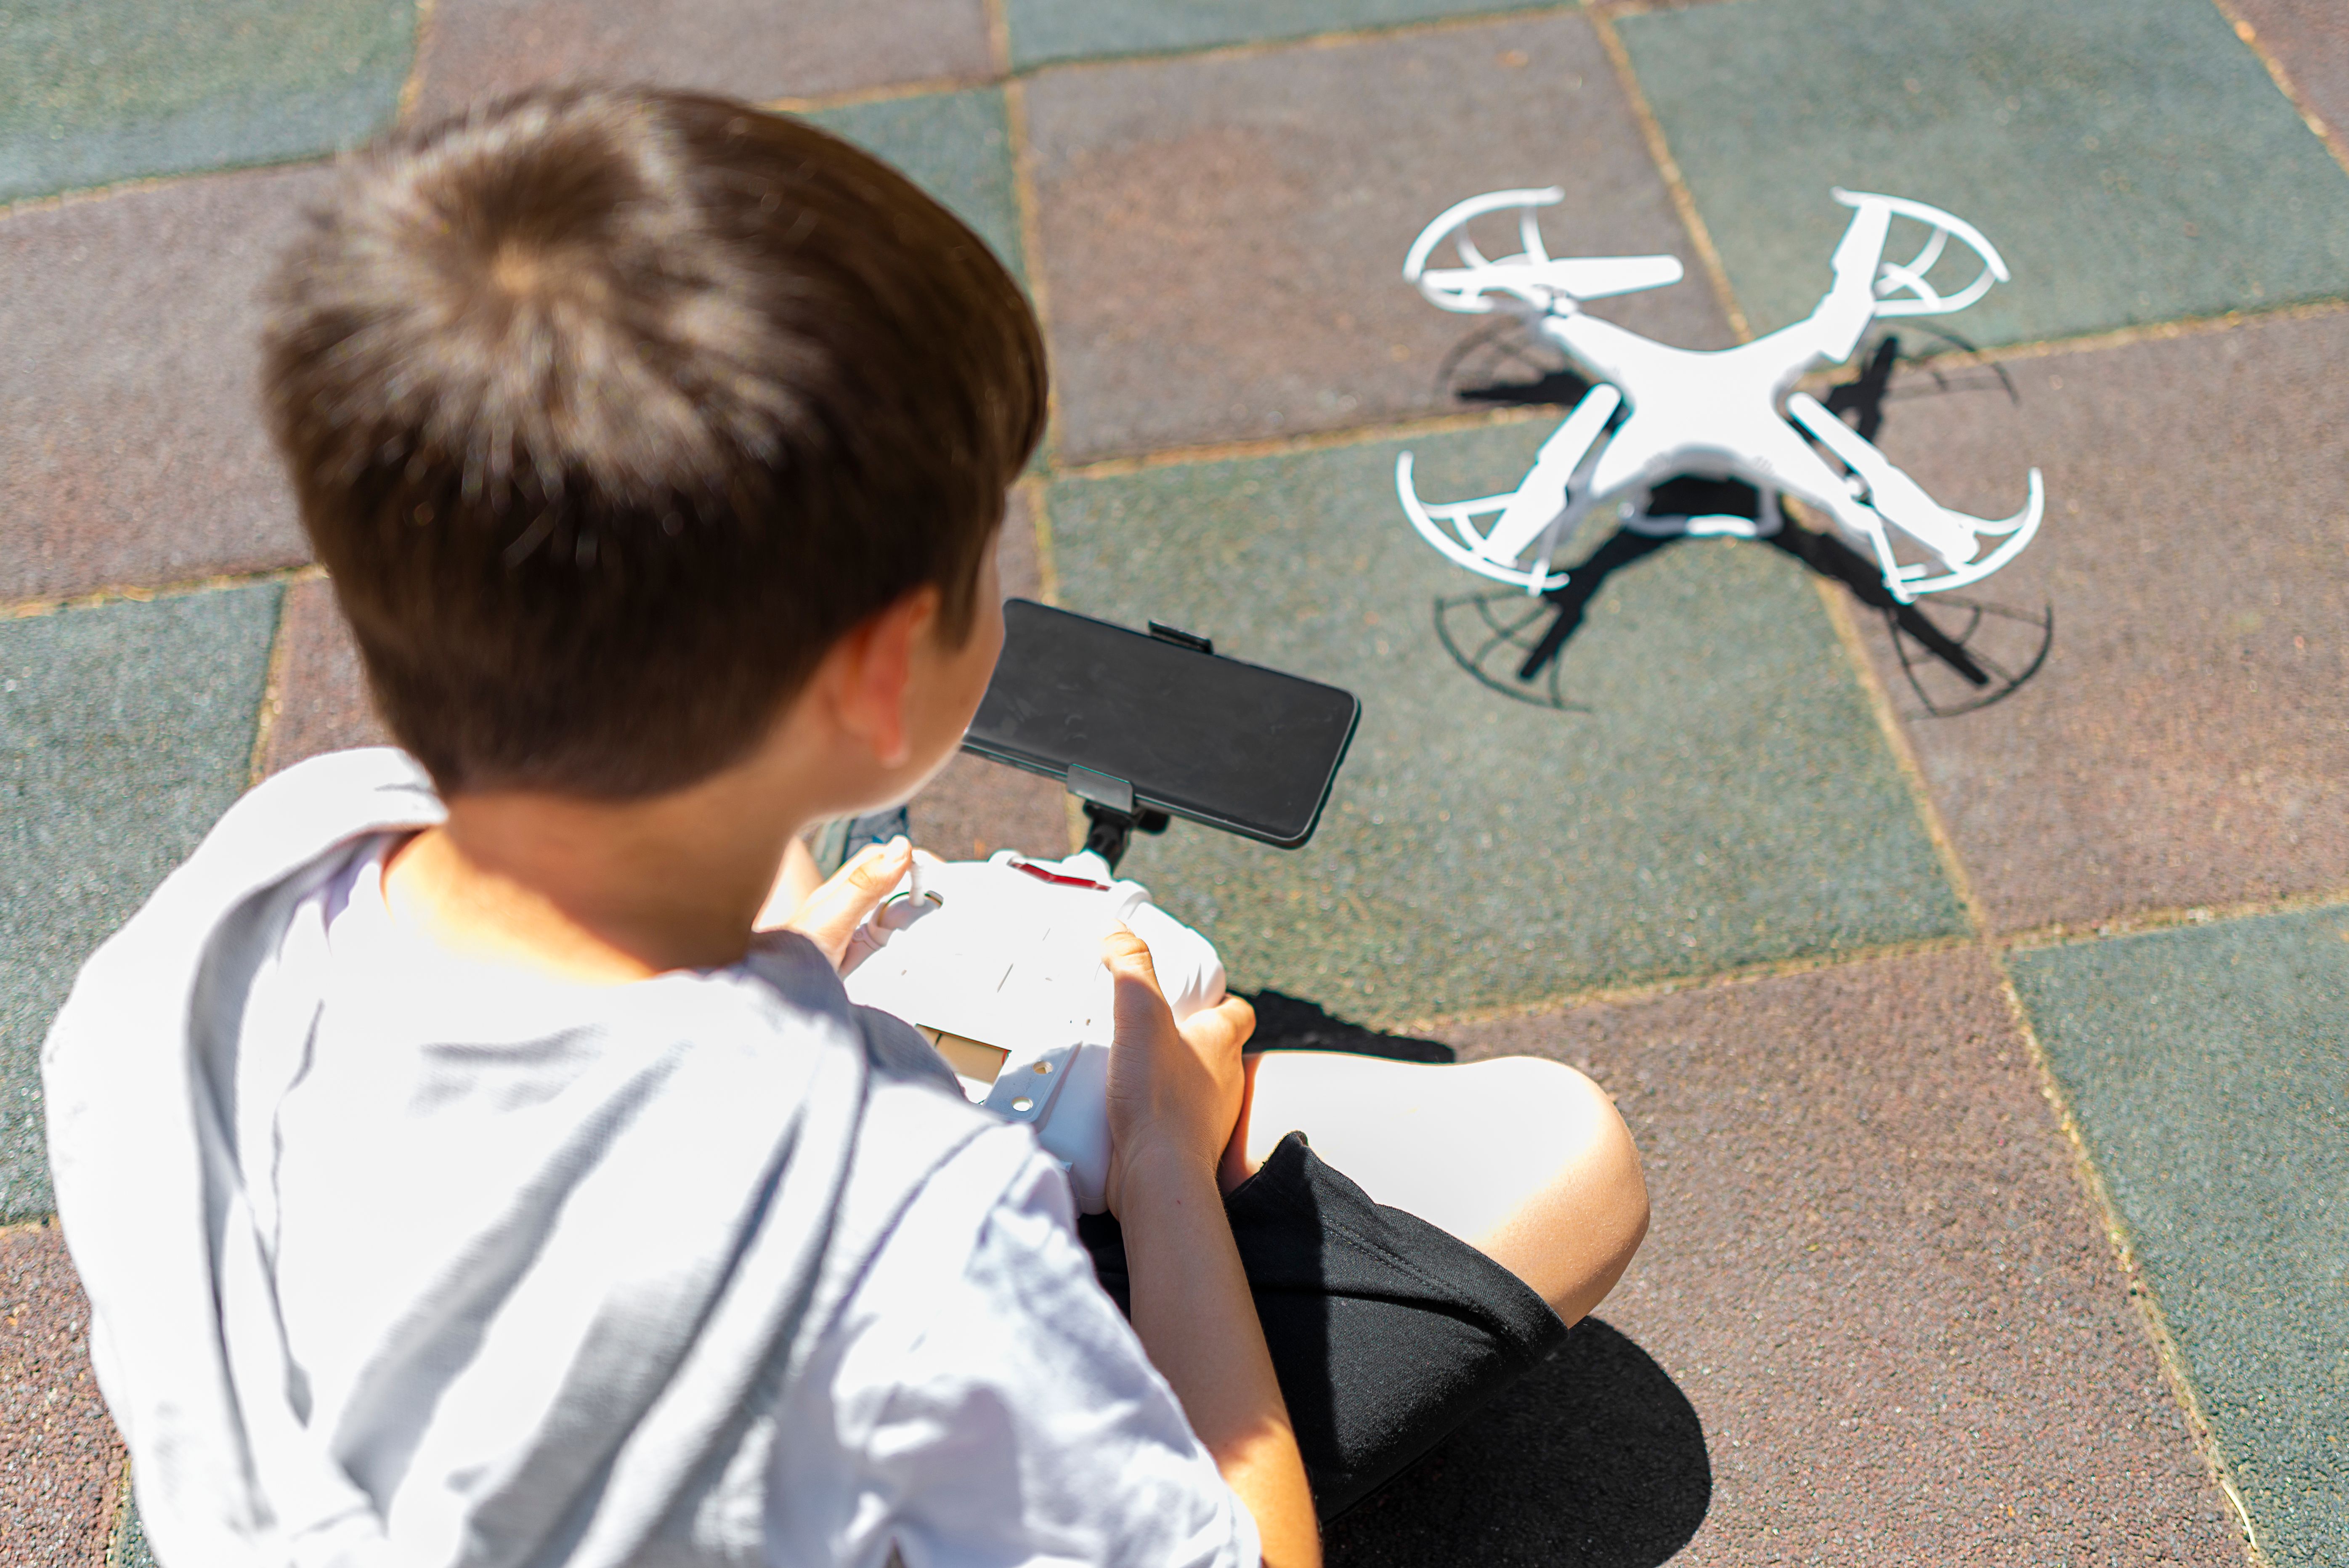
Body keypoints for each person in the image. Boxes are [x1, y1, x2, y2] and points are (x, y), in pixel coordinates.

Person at [41, 88, 1648, 1568]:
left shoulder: (252, 884)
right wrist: (1162, 1168)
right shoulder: (904, 1224)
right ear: (887, 681)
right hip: (855, 1395)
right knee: (1563, 1156)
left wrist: (764, 977)